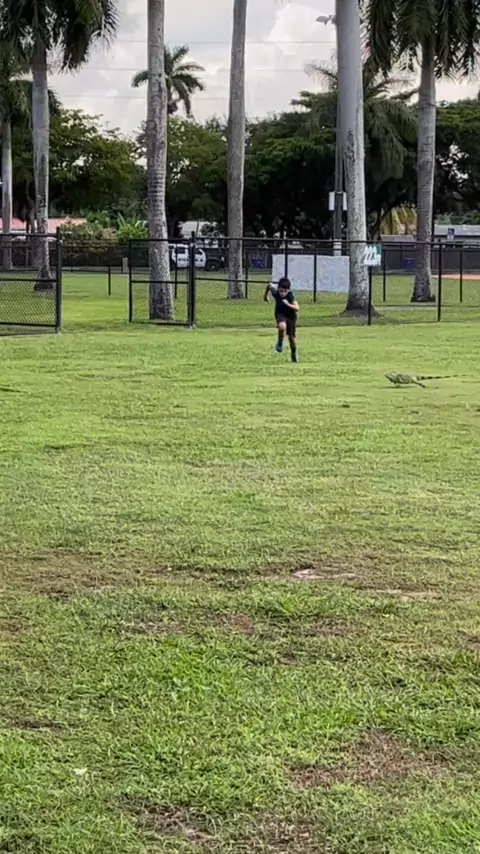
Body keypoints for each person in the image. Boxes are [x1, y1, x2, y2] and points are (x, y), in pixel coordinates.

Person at [264, 277, 299, 362]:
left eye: (285, 291)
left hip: (291, 316)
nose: (283, 293)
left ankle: (293, 353)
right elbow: (269, 285)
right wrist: (265, 296)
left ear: (288, 290)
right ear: (278, 288)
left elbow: (297, 308)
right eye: (281, 291)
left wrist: (287, 304)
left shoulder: (291, 295)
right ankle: (280, 342)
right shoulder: (276, 293)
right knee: (282, 326)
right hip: (280, 314)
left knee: (291, 339)